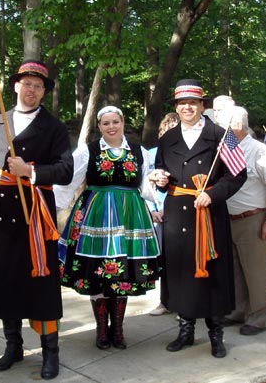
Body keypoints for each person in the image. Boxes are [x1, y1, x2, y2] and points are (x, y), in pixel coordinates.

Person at [0, 60, 74, 380]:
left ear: (45, 92)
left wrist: (30, 172)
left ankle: (50, 352)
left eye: (38, 86)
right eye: (26, 84)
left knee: (41, 285)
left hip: (35, 215)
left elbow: (65, 170)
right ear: (15, 86)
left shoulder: (54, 128)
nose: (31, 90)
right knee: (5, 281)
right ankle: (12, 346)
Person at [54, 106, 161, 350]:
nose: (111, 127)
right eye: (105, 123)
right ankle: (102, 330)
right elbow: (68, 180)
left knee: (122, 272)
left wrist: (154, 192)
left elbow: (145, 186)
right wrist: (53, 208)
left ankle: (119, 330)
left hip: (130, 216)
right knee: (97, 271)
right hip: (96, 216)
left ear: (123, 123)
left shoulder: (138, 150)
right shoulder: (87, 151)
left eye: (115, 122)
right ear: (99, 126)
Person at [154, 79, 247, 358]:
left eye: (193, 103)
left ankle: (215, 335)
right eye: (182, 104)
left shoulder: (220, 135)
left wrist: (214, 194)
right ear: (177, 107)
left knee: (213, 276)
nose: (187, 108)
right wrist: (159, 179)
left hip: (208, 214)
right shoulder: (167, 139)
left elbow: (238, 174)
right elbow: (162, 170)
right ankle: (185, 330)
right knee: (181, 274)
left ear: (202, 106)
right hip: (176, 216)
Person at [217, 106, 266, 335]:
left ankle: (258, 318)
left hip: (253, 219)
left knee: (256, 273)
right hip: (228, 219)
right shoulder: (224, 150)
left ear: (235, 126)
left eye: (220, 124)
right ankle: (237, 312)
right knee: (235, 272)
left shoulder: (258, 150)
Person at [147, 113, 179, 316]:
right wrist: (152, 211)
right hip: (156, 214)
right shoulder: (152, 154)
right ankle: (165, 301)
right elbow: (144, 183)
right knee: (163, 261)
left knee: (180, 260)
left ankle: (182, 303)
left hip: (178, 212)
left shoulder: (184, 155)